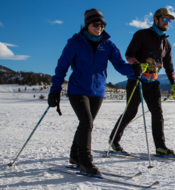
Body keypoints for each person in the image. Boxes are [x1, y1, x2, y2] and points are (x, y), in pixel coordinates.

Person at [48, 8, 141, 175]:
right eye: (95, 24)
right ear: (87, 24)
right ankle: (85, 161)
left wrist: (133, 69)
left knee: (85, 124)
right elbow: (62, 67)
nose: (99, 27)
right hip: (78, 90)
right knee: (87, 123)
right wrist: (55, 90)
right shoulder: (75, 43)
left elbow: (120, 65)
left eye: (102, 25)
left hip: (97, 92)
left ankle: (75, 156)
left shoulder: (108, 45)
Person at [108, 8, 175, 158]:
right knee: (131, 112)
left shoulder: (166, 44)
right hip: (137, 81)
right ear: (155, 19)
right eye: (164, 19)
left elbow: (169, 66)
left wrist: (174, 84)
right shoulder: (142, 35)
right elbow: (129, 54)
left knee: (158, 114)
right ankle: (114, 140)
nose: (167, 23)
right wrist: (136, 64)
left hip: (153, 83)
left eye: (169, 20)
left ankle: (160, 147)